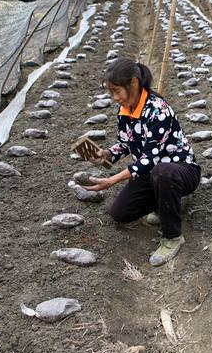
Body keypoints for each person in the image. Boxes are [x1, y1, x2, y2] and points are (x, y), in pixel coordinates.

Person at [85, 58, 201, 266]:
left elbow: (149, 159)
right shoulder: (125, 110)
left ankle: (172, 237)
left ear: (134, 83)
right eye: (110, 92)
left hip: (180, 170)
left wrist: (113, 179)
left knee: (163, 172)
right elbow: (125, 144)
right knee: (119, 213)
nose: (114, 97)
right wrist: (105, 154)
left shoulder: (158, 110)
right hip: (151, 174)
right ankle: (166, 203)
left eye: (117, 91)